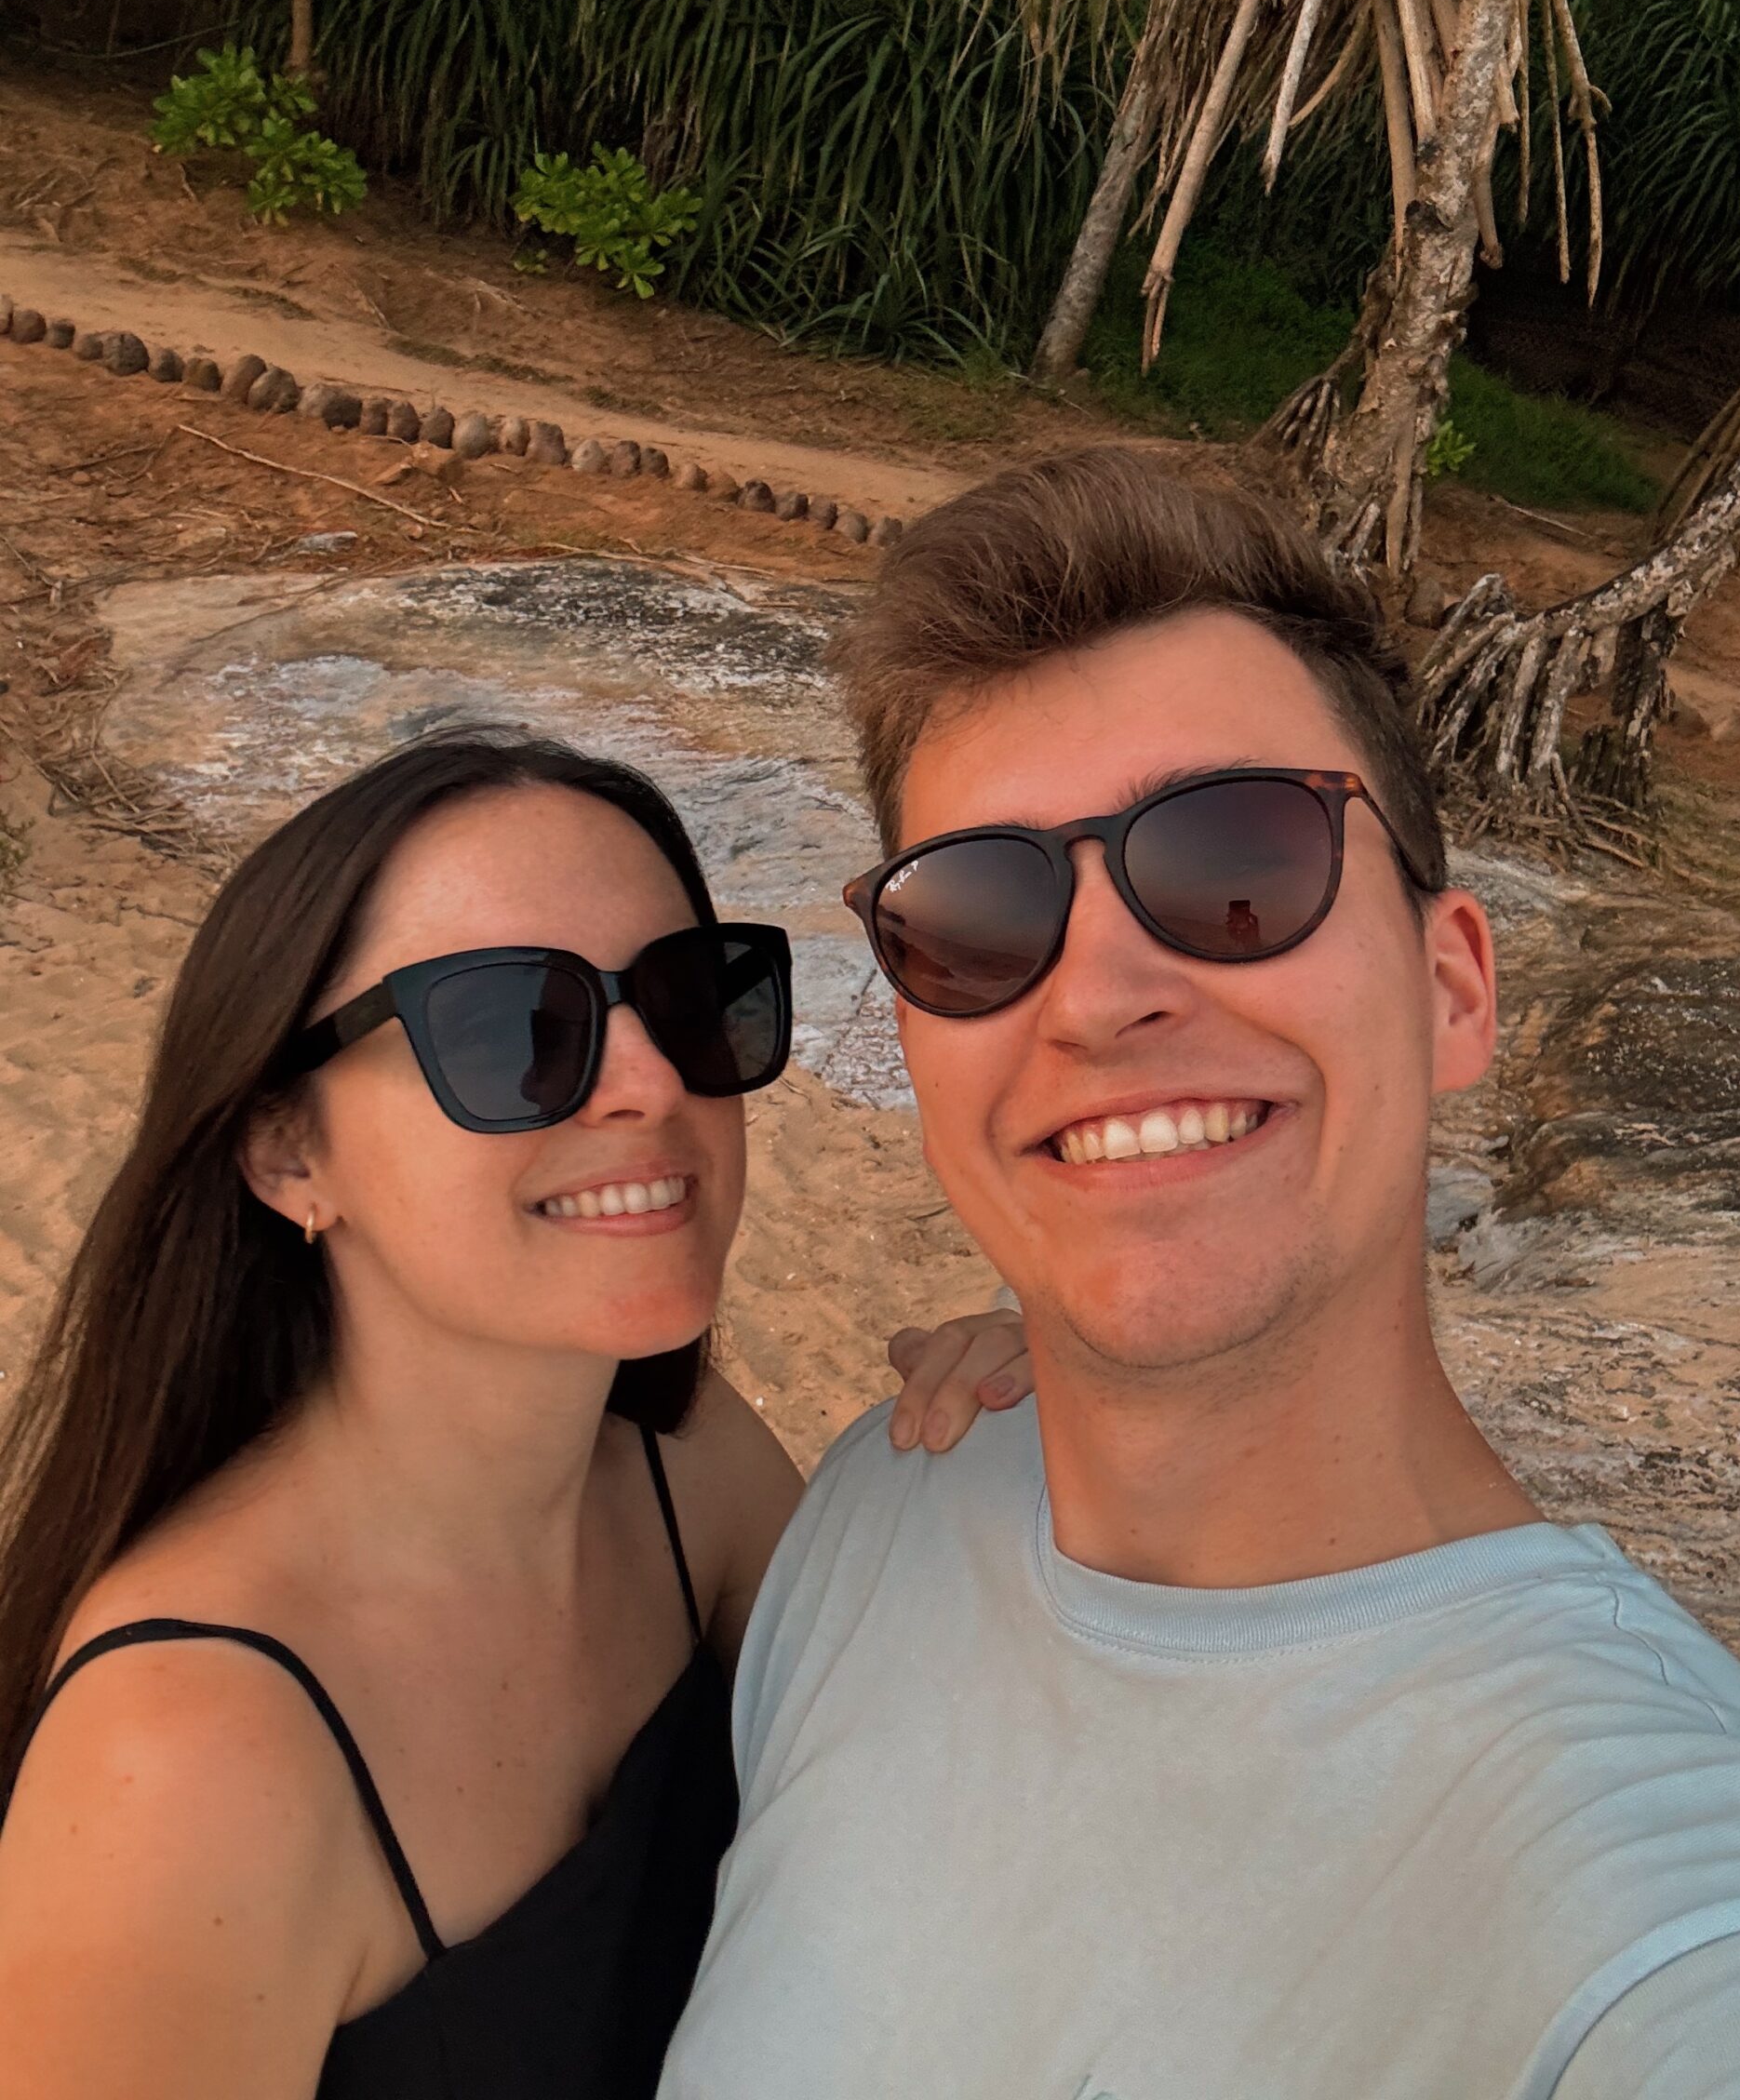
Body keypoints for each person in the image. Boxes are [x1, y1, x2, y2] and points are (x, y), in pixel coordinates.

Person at [661, 448, 1740, 2099]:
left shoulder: (1675, 1923)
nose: (1093, 995)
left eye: (1234, 864)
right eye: (978, 916)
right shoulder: (884, 1511)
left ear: (1453, 990)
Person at [0, 733, 1029, 2100]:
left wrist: (1045, 1414)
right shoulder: (187, 1764)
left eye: (687, 1000)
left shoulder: (691, 1473)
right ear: (289, 1153)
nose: (649, 1084)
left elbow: (941, 1805)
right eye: (511, 1029)